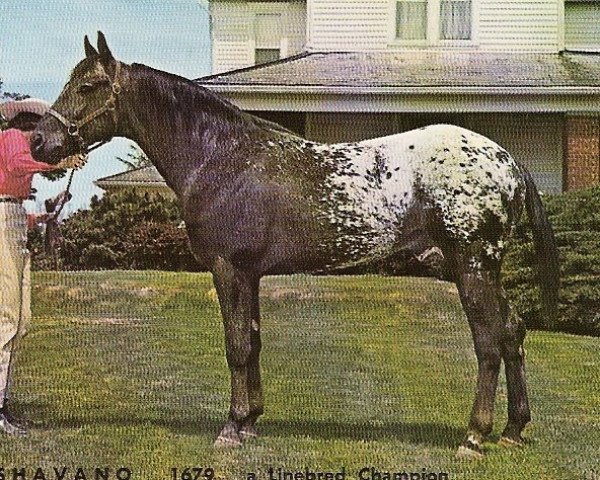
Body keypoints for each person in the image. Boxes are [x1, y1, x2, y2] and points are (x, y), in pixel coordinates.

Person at [0, 99, 63, 436]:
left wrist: (39, 218)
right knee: (8, 319)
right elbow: (16, 165)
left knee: (19, 321)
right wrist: (56, 164)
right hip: (4, 219)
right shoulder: (12, 137)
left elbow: (11, 202)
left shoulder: (17, 144)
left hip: (11, 217)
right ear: (34, 126)